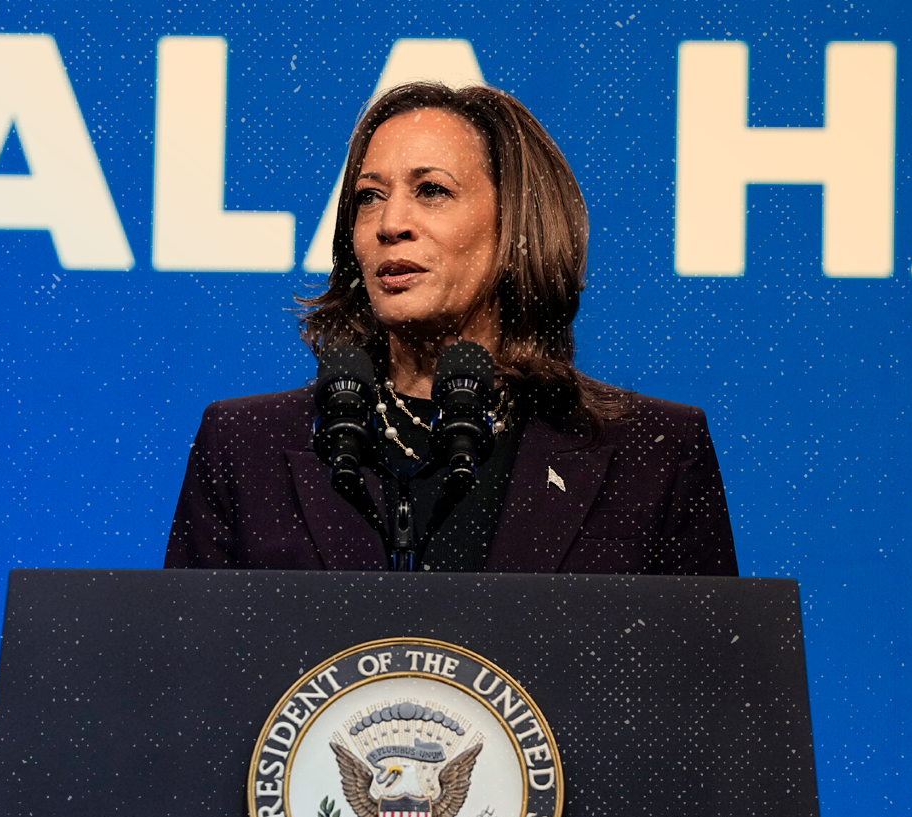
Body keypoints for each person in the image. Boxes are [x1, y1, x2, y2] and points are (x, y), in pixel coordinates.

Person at [165, 82, 736, 575]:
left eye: (431, 191)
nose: (391, 224)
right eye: (369, 197)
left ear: (516, 224)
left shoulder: (652, 455)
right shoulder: (246, 447)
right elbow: (184, 686)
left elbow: (714, 695)